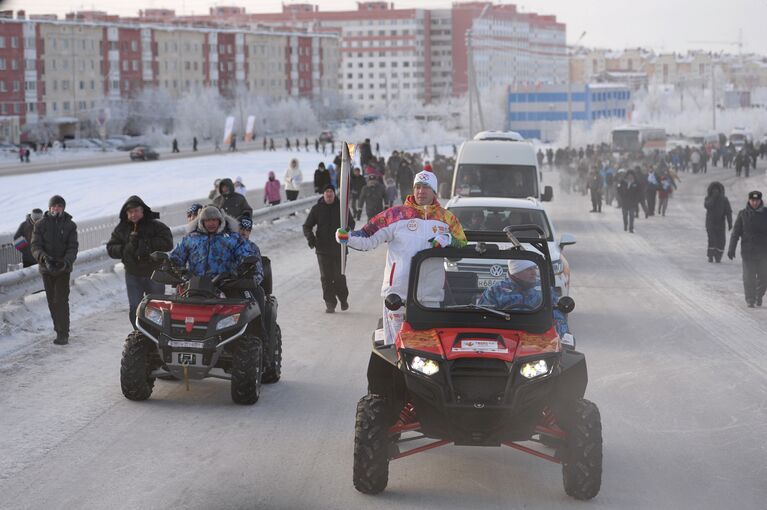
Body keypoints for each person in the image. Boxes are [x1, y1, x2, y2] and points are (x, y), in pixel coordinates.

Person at [336, 171, 467, 344]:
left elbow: (462, 246)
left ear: (434, 191)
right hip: (398, 295)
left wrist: (449, 240)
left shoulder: (447, 219)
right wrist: (348, 237)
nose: (421, 191)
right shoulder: (395, 215)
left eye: (426, 187)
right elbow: (368, 237)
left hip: (430, 296)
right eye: (418, 187)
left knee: (427, 346)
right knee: (397, 345)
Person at [106, 196, 173, 328]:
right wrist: (126, 248)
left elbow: (168, 243)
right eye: (130, 212)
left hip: (154, 274)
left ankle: (156, 333)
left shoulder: (156, 226)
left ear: (143, 211)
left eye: (136, 211)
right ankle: (140, 333)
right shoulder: (121, 229)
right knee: (135, 307)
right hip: (133, 274)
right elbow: (111, 249)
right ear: (126, 214)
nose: (133, 214)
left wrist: (147, 244)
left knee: (157, 306)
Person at [478, 259, 571, 338]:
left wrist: (563, 335)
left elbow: (558, 316)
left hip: (538, 337)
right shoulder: (495, 291)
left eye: (534, 268)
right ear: (516, 272)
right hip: (505, 337)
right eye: (528, 269)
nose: (534, 273)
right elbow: (483, 319)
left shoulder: (544, 289)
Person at [31, 195, 78, 345]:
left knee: (61, 301)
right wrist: (44, 258)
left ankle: (64, 333)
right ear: (49, 207)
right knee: (52, 302)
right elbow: (35, 246)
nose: (56, 208)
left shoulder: (70, 225)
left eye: (59, 206)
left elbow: (73, 247)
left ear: (63, 208)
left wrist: (66, 261)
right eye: (53, 206)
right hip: (47, 268)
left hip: (63, 269)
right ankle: (58, 330)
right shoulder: (40, 224)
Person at [303, 185, 356, 313]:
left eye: (331, 191)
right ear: (323, 194)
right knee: (326, 277)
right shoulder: (317, 209)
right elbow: (307, 226)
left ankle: (343, 299)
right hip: (323, 249)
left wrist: (346, 233)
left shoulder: (342, 207)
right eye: (326, 191)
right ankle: (330, 303)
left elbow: (351, 223)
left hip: (340, 248)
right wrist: (311, 238)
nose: (329, 194)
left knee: (338, 276)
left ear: (334, 193)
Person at [170, 206, 253, 277]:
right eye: (207, 220)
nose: (211, 223)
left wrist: (238, 272)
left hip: (225, 286)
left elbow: (245, 256)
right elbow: (176, 258)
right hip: (194, 287)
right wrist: (180, 271)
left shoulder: (232, 238)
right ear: (202, 222)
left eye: (214, 220)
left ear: (220, 221)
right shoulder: (191, 239)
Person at [728, 190, 767, 307]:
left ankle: (758, 296)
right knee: (748, 278)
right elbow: (735, 233)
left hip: (764, 252)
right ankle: (750, 299)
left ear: (760, 201)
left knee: (764, 277)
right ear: (749, 200)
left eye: (757, 200)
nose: (754, 203)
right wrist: (731, 248)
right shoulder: (742, 214)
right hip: (748, 252)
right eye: (752, 200)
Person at [704, 182, 732, 263]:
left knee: (721, 241)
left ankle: (718, 256)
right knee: (712, 239)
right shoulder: (708, 198)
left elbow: (728, 211)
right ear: (711, 190)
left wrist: (730, 222)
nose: (715, 191)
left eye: (717, 190)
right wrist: (713, 198)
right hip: (710, 223)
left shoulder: (724, 200)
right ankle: (710, 256)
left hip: (720, 223)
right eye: (713, 190)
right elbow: (707, 205)